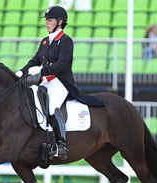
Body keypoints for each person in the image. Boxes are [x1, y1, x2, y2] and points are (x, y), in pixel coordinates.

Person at [14, 6, 104, 160]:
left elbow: (61, 65)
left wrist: (41, 71)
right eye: (47, 20)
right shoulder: (45, 41)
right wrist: (21, 72)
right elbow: (35, 60)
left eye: (50, 20)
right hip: (45, 83)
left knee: (51, 107)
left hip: (60, 82)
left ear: (60, 22)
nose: (47, 23)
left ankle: (61, 145)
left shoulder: (66, 41)